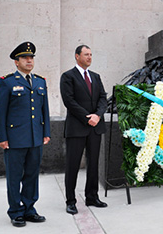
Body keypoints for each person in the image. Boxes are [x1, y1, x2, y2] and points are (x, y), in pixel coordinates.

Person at [0, 42, 51, 227]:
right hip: (15, 139)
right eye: (25, 57)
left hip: (35, 138)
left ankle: (29, 209)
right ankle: (15, 211)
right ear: (16, 62)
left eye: (31, 57)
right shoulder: (7, 82)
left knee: (32, 175)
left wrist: (46, 132)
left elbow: (45, 111)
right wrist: (1, 137)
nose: (29, 60)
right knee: (14, 176)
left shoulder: (40, 81)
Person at [60, 45, 108, 215]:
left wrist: (98, 115)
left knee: (93, 163)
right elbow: (69, 101)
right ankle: (71, 201)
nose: (89, 57)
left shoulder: (95, 77)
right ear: (77, 56)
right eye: (86, 54)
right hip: (77, 127)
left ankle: (92, 197)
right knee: (72, 165)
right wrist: (88, 117)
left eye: (91, 54)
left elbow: (103, 98)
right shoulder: (68, 76)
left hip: (95, 128)